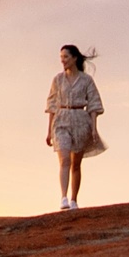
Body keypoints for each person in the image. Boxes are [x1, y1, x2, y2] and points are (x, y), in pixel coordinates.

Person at [44, 45, 105, 209]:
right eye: (61, 57)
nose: (62, 60)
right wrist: (49, 131)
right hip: (61, 119)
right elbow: (51, 104)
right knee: (64, 159)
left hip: (80, 120)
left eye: (66, 57)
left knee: (76, 164)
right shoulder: (57, 79)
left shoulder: (86, 80)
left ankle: (73, 200)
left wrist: (93, 128)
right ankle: (63, 198)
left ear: (74, 58)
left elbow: (94, 104)